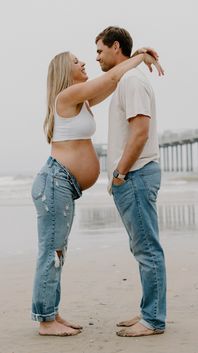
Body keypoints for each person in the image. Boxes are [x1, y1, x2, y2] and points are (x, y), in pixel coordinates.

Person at [31, 48, 159, 336]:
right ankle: (45, 321)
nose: (85, 62)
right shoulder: (66, 97)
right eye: (77, 61)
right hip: (55, 182)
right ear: (66, 71)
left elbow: (113, 81)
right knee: (51, 251)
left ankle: (52, 313)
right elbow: (113, 75)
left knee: (58, 250)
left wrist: (134, 59)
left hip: (63, 185)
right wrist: (141, 55)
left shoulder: (83, 100)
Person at [95, 26, 167, 337]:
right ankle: (147, 311)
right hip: (133, 175)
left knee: (147, 249)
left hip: (135, 174)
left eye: (99, 50)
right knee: (143, 248)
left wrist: (120, 173)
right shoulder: (127, 78)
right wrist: (140, 56)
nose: (96, 57)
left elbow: (140, 131)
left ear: (115, 47)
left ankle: (152, 319)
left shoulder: (133, 81)